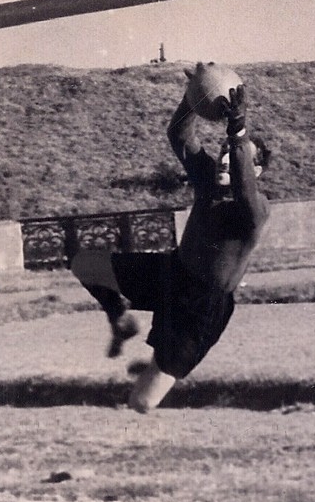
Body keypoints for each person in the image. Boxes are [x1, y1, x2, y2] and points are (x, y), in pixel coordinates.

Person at [70, 73, 271, 412]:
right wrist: (193, 97)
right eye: (223, 151)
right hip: (171, 273)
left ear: (257, 172)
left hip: (200, 307)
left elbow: (244, 189)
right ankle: (120, 321)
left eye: (234, 157)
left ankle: (155, 366)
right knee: (83, 264)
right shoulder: (208, 180)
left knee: (142, 402)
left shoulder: (255, 209)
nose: (224, 159)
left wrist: (237, 133)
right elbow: (178, 134)